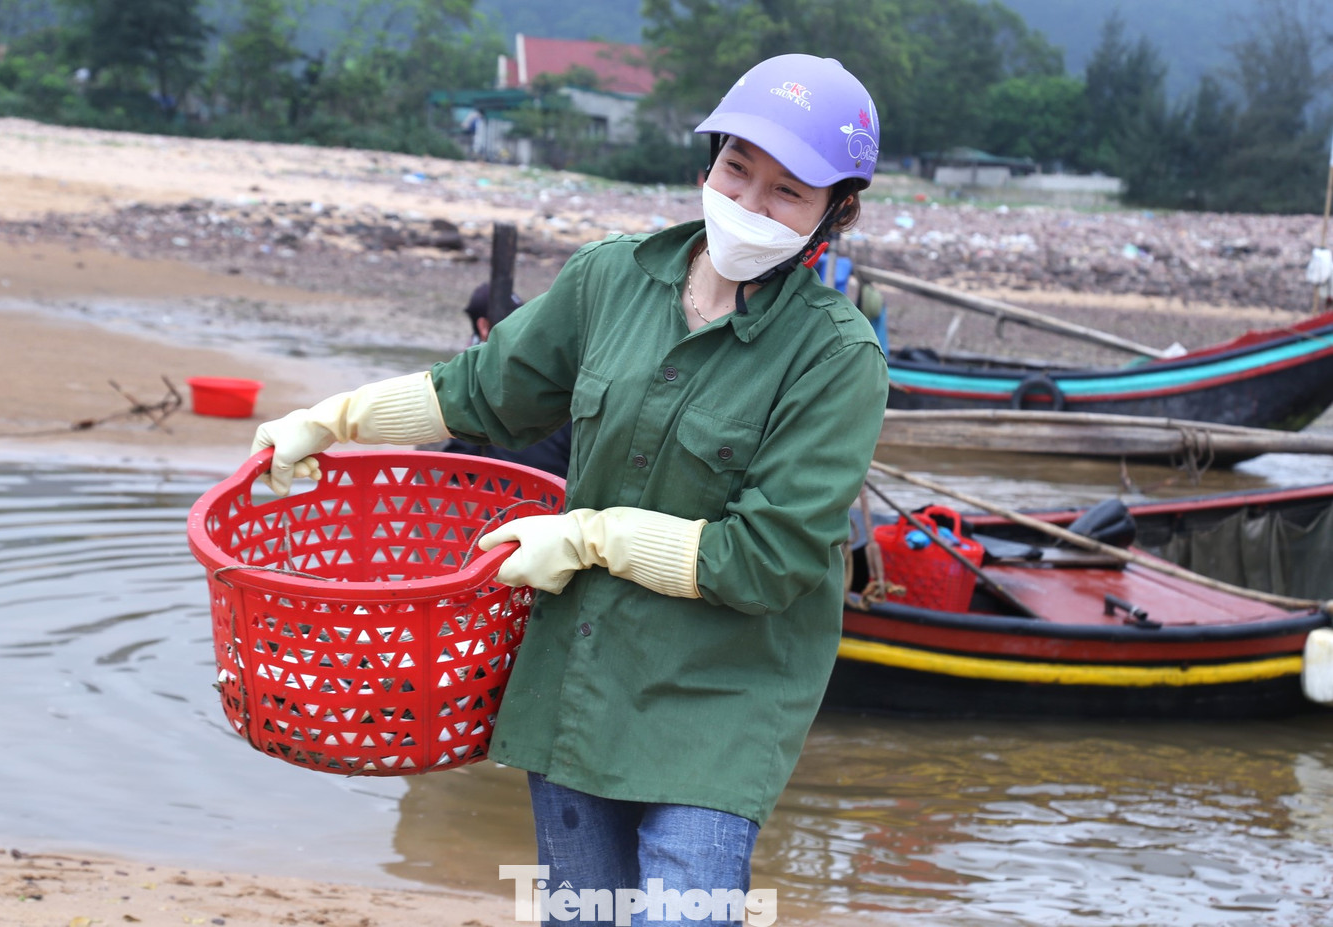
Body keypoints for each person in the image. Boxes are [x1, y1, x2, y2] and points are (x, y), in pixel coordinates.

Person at [249, 53, 887, 926]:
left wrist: (588, 535)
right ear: (708, 162)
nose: (749, 202)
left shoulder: (837, 359)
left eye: (789, 191)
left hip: (721, 702)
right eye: (738, 168)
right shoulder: (610, 279)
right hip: (581, 678)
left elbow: (766, 561)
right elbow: (477, 390)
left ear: (835, 213)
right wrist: (329, 419)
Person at [440, 281, 573, 478]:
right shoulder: (560, 372)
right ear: (484, 326)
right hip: (554, 493)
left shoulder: (475, 382)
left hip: (506, 498)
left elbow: (457, 469)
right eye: (512, 319)